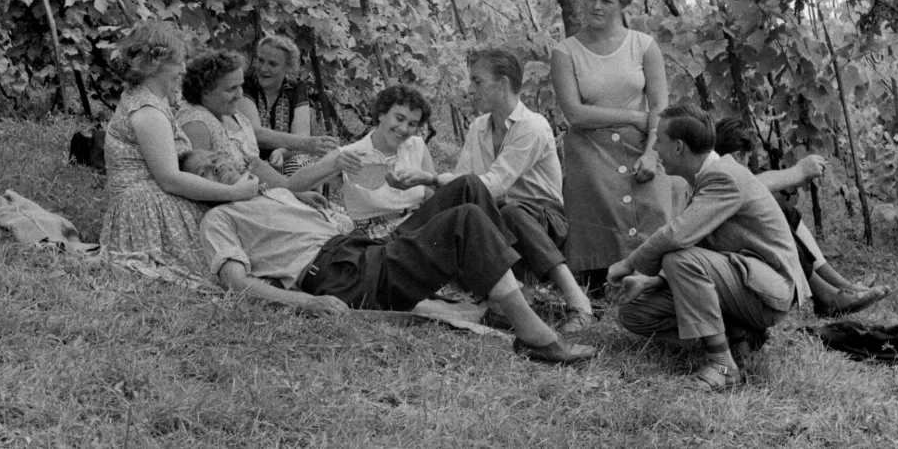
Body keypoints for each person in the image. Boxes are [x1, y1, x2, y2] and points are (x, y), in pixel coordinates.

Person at [184, 150, 598, 365]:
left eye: (220, 159)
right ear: (198, 186)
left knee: (467, 187)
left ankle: (503, 301)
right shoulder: (220, 217)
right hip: (341, 276)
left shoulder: (272, 194)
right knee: (465, 221)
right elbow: (237, 283)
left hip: (364, 251)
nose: (220, 163)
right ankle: (537, 338)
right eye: (208, 167)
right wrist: (307, 303)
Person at [607, 104, 811, 390]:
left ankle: (722, 363)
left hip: (767, 292)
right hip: (739, 280)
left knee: (678, 258)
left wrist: (630, 263)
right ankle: (738, 336)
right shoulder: (703, 177)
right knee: (636, 314)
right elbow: (703, 247)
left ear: (678, 147)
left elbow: (678, 236)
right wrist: (650, 281)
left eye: (659, 142)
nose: (655, 150)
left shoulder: (722, 177)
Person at [393, 49, 595, 333]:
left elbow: (492, 185)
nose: (470, 89)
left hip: (544, 224)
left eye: (477, 81)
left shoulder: (533, 126)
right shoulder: (478, 127)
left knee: (509, 210)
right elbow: (465, 181)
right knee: (472, 210)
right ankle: (407, 254)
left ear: (502, 84)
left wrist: (429, 178)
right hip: (499, 222)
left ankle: (577, 300)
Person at [100, 22, 259, 274]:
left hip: (150, 200)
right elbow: (171, 180)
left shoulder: (151, 99)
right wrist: (235, 193)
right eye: (178, 63)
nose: (183, 69)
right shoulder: (147, 112)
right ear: (156, 66)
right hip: (144, 209)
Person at [550, 0, 673, 293]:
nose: (596, 6)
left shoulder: (643, 46)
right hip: (590, 147)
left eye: (606, 0)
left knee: (655, 208)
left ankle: (653, 286)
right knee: (596, 214)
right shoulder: (566, 52)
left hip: (641, 145)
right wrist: (631, 117)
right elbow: (574, 113)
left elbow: (660, 105)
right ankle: (598, 291)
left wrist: (651, 152)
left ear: (622, 4)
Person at [712, 118, 890, 317]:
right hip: (727, 253)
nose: (746, 165)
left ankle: (841, 285)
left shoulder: (713, 169)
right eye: (746, 159)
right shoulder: (720, 176)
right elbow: (750, 185)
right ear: (736, 156)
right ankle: (827, 297)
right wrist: (799, 171)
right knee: (774, 218)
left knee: (782, 208)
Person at [178, 49, 364, 197]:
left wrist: (297, 195)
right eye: (231, 89)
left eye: (240, 86)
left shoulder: (236, 118)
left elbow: (283, 183)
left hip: (257, 200)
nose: (240, 94)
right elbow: (203, 189)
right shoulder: (196, 123)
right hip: (235, 213)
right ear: (206, 91)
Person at [340, 85, 436, 239]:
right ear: (381, 114)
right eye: (399, 118)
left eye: (412, 124)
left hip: (417, 227)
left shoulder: (417, 146)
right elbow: (298, 181)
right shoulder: (353, 153)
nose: (404, 129)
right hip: (376, 238)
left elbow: (431, 195)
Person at [236, 34, 338, 174]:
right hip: (250, 161)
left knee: (301, 165)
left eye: (272, 64)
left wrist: (282, 152)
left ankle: (301, 193)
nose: (264, 68)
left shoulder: (297, 88)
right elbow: (254, 134)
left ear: (287, 68)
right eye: (261, 60)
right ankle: (299, 193)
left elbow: (301, 136)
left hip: (284, 158)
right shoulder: (245, 85)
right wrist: (306, 143)